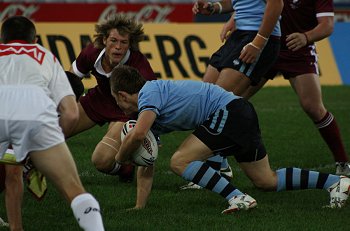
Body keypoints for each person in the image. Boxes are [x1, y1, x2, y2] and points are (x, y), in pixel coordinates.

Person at [109, 65, 350, 213]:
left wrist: (120, 158)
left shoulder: (148, 94)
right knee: (266, 180)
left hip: (228, 112)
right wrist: (140, 206)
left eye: (116, 100)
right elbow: (147, 164)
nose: (119, 106)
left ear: (121, 94)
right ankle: (335, 183)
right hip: (238, 112)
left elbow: (138, 135)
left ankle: (237, 197)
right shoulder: (152, 110)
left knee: (179, 161)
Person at [213, 0, 350, 176]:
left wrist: (306, 37)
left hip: (297, 51)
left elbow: (327, 25)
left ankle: (343, 162)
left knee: (313, 107)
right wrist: (233, 20)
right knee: (231, 102)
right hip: (265, 46)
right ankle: (219, 161)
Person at [0, 16, 104, 230]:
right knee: (73, 188)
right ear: (35, 39)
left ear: (3, 38)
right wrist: (51, 143)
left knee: (12, 174)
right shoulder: (45, 56)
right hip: (36, 110)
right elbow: (71, 114)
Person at [181, 0, 283, 189]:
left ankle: (215, 169)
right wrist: (214, 7)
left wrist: (259, 42)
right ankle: (220, 165)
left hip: (256, 37)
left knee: (218, 105)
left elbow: (276, 4)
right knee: (205, 103)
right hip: (239, 36)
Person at [65, 13, 157, 183]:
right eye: (113, 40)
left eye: (124, 42)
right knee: (53, 130)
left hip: (125, 110)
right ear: (104, 40)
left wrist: (150, 131)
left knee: (101, 161)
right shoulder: (92, 52)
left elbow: (153, 101)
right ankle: (28, 166)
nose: (118, 47)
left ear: (130, 45)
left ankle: (126, 167)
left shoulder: (140, 65)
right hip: (98, 100)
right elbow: (71, 78)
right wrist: (65, 104)